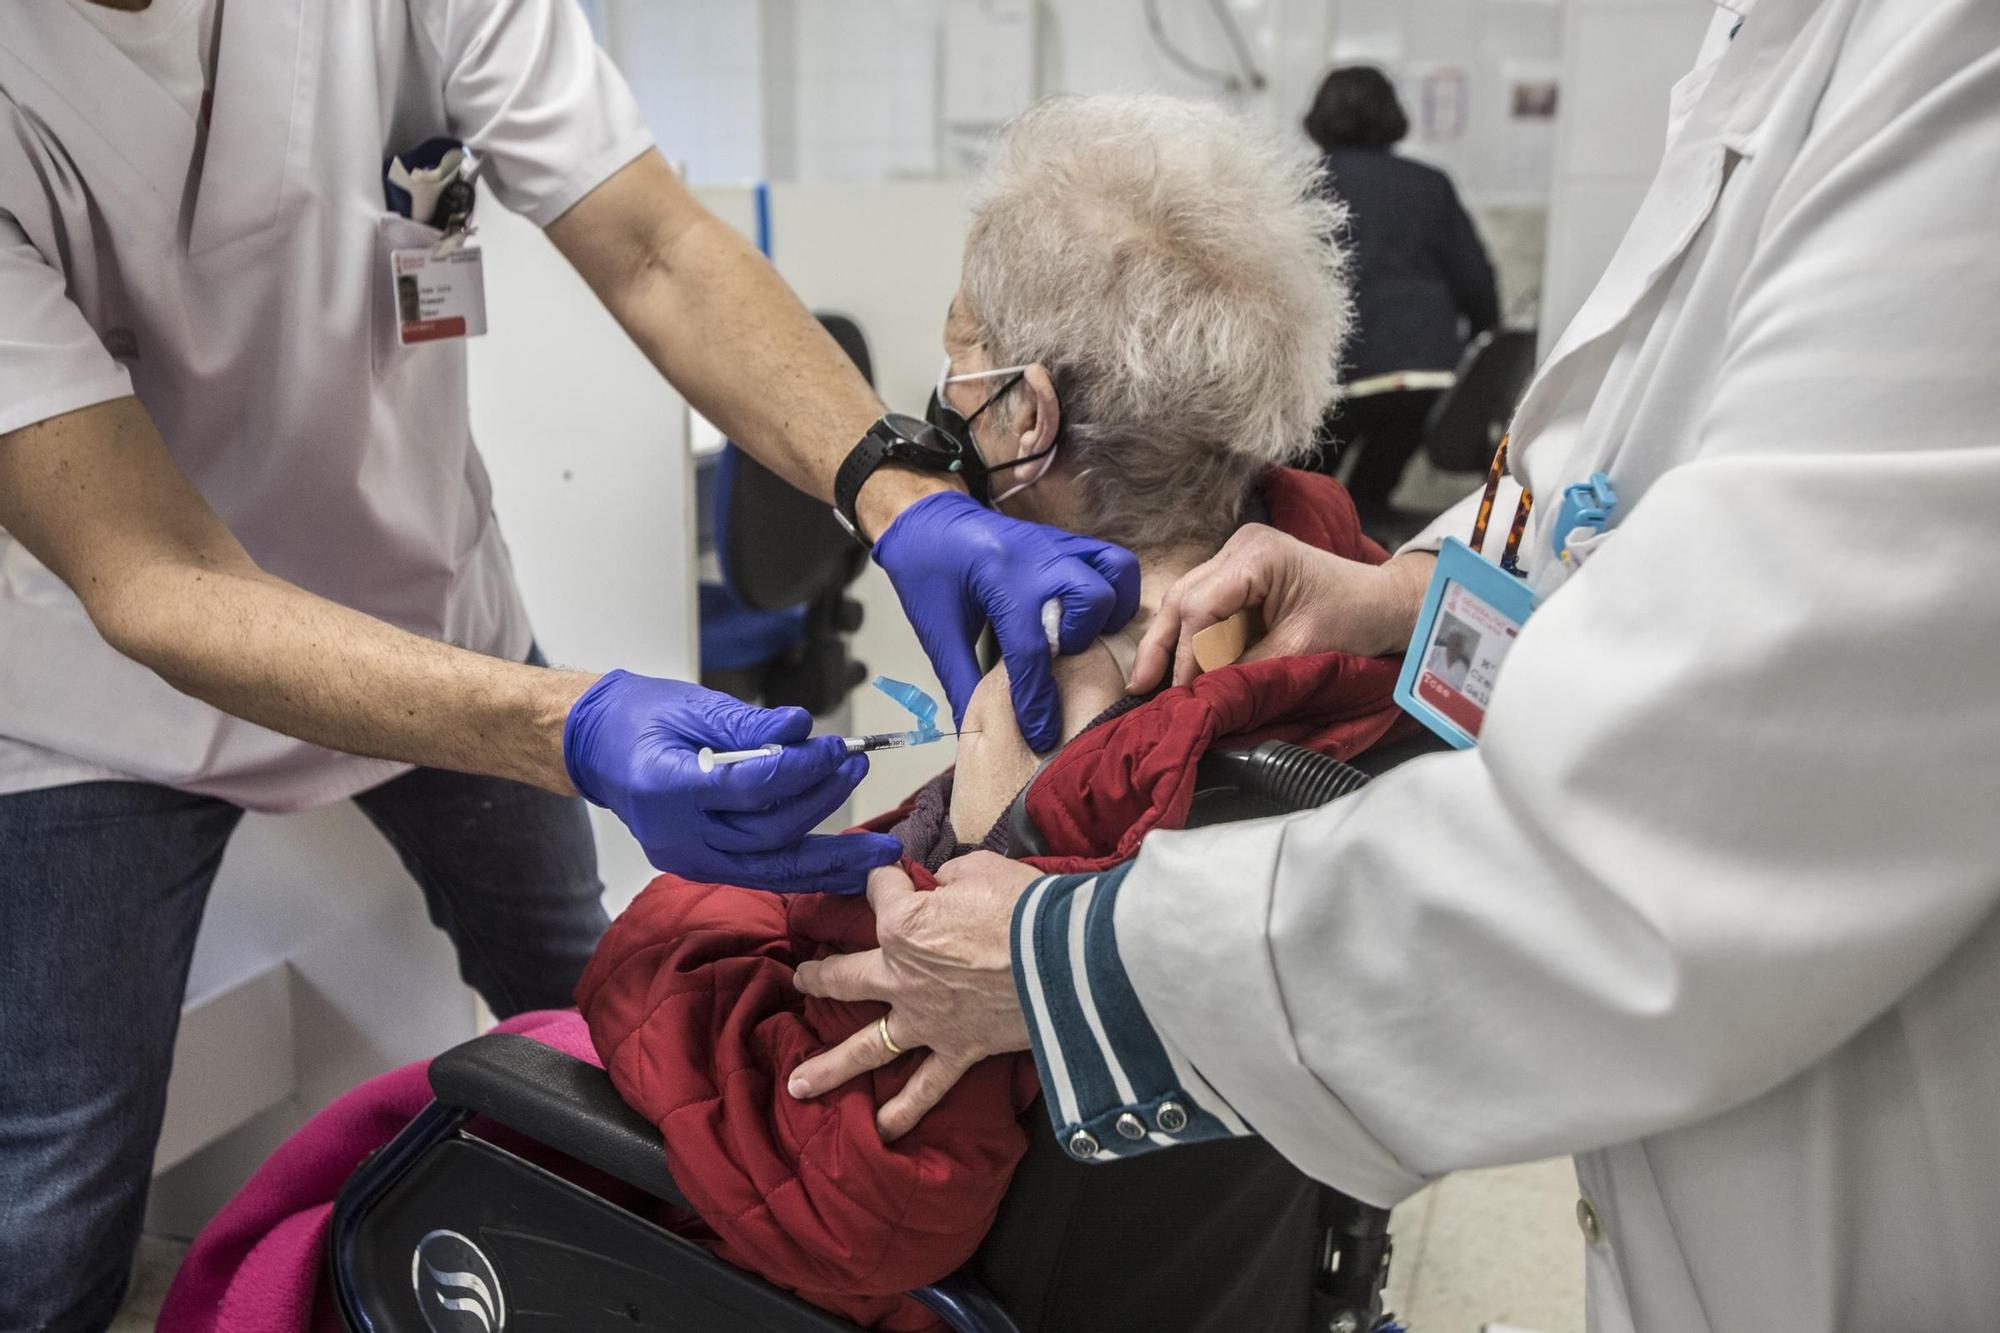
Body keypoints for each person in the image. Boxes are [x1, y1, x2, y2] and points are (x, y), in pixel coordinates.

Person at [788, 2, 2000, 1329]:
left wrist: (1026, 935)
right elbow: (1611, 503)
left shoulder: (1027, 757)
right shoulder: (1333, 660)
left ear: (1025, 412)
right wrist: (1412, 596)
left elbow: (1689, 806)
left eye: (962, 368)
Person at [0, 3, 1135, 1328]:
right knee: (50, 1191)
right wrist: (576, 725)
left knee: (613, 1006)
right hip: (104, 693)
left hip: (435, 615)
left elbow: (653, 245)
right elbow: (153, 578)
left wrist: (896, 489)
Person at [1304, 64, 1499, 535]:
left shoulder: (1307, 185)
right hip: (1427, 377)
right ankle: (1367, 558)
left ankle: (1319, 568)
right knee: (1370, 494)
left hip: (1340, 377)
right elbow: (1477, 283)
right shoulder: (1431, 184)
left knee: (1299, 492)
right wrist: (1476, 368)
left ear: (1318, 118)